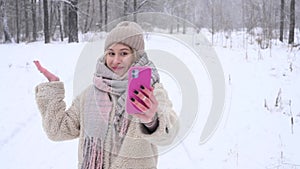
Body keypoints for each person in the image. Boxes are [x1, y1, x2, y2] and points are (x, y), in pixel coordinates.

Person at [34, 21, 179, 169]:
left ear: (137, 56)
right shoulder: (89, 95)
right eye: (111, 53)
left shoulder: (151, 92)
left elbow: (169, 134)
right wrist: (52, 90)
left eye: (124, 53)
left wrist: (152, 122)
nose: (115, 60)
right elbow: (57, 130)